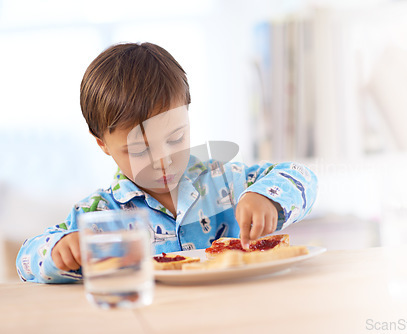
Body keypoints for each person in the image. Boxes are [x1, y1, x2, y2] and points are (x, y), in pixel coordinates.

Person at [16, 42, 318, 283]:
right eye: (139, 150)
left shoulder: (224, 180)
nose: (163, 161)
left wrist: (265, 196)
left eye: (175, 140)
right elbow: (26, 260)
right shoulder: (101, 215)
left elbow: (300, 175)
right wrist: (60, 251)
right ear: (103, 145)